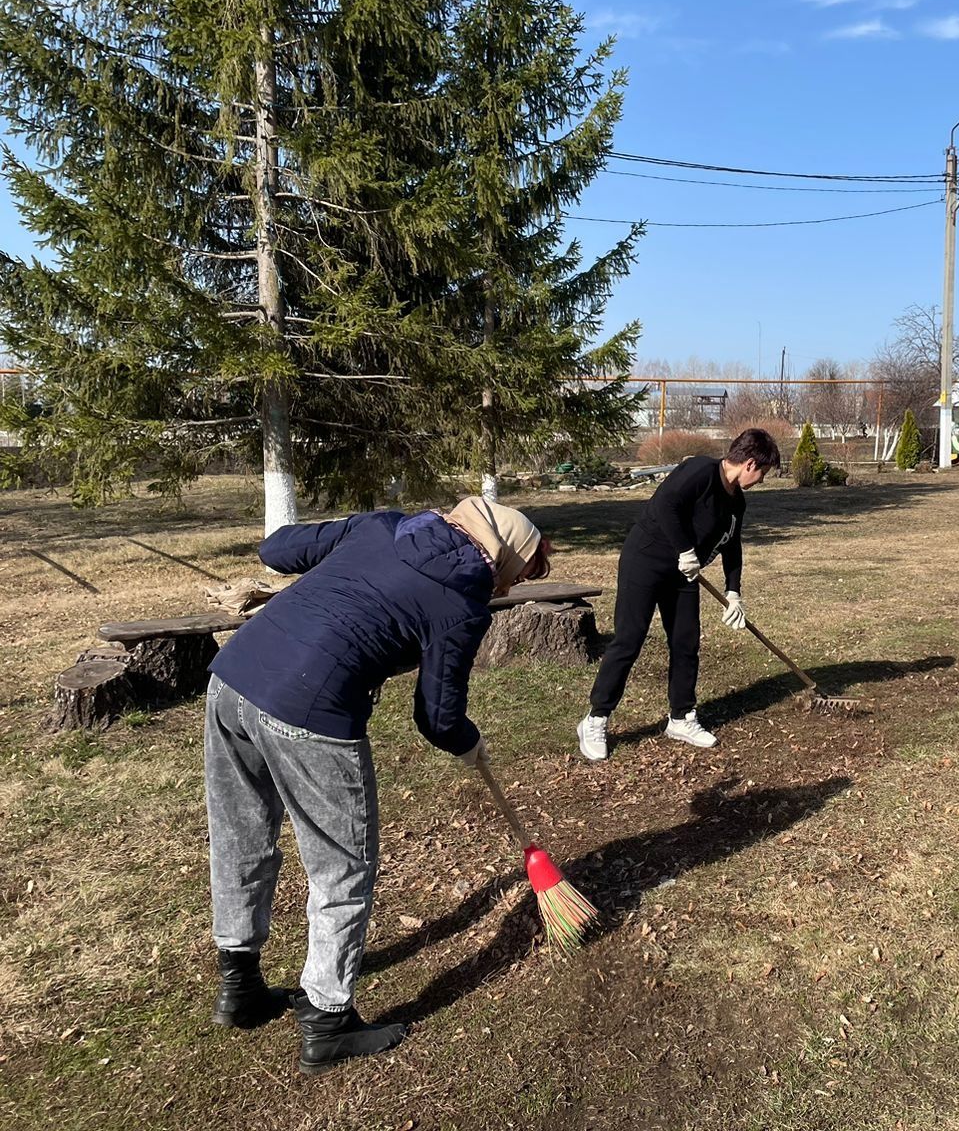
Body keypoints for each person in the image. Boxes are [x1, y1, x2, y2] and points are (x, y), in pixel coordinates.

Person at [203, 497, 548, 1075]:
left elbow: (276, 549)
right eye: (514, 577)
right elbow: (437, 718)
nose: (506, 589)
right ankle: (327, 1021)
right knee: (340, 867)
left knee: (240, 837)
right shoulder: (461, 600)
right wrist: (468, 741)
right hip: (310, 711)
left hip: (233, 682)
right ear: (500, 559)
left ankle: (239, 988)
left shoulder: (382, 523)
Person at [577, 427, 782, 762]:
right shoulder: (699, 471)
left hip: (683, 573)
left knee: (686, 642)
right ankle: (596, 718)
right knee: (629, 639)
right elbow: (665, 505)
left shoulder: (736, 502)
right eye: (762, 473)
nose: (760, 480)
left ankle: (681, 717)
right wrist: (686, 550)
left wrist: (734, 593)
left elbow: (733, 546)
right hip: (645, 561)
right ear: (749, 464)